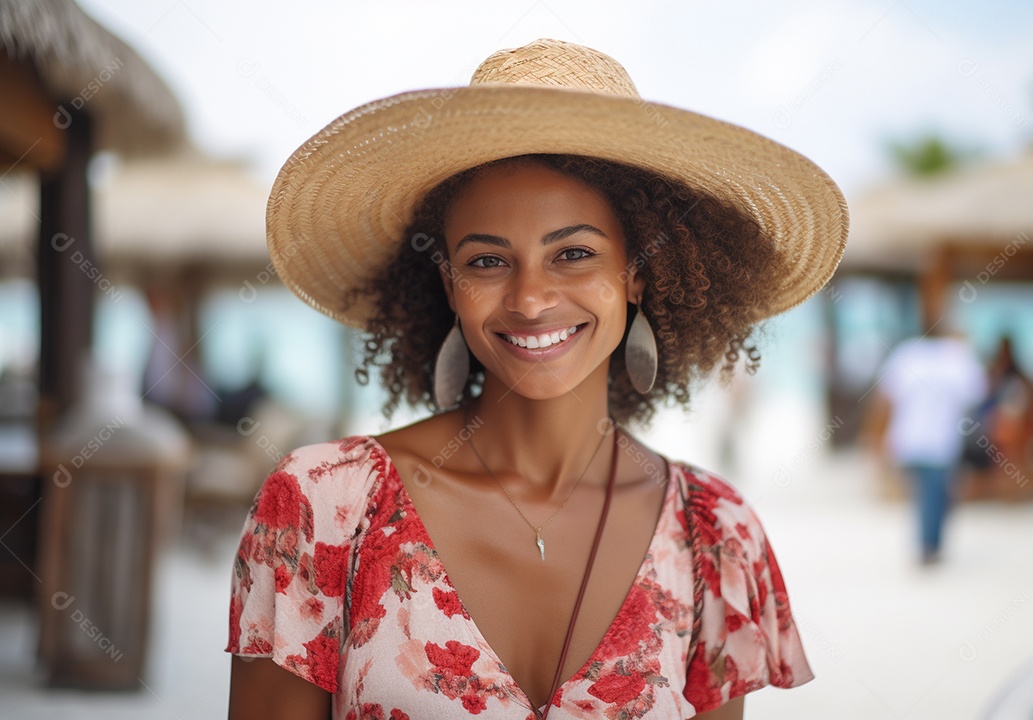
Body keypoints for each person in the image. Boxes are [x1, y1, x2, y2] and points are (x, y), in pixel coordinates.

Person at [225, 38, 848, 719]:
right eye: (488, 261)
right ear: (449, 283)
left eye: (573, 254)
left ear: (638, 273)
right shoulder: (323, 509)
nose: (529, 299)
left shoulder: (715, 537)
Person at [876, 325, 987, 564]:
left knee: (926, 493)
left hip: (910, 438)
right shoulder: (958, 357)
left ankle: (930, 544)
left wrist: (880, 438)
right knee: (934, 493)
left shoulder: (908, 354)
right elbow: (976, 396)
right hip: (940, 442)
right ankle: (929, 545)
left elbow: (886, 400)